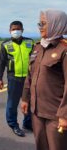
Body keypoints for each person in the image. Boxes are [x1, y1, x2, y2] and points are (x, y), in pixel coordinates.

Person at [21, 9, 67, 150]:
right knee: (41, 146)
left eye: (43, 23)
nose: (40, 27)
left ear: (56, 23)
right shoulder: (38, 48)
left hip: (55, 114)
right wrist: (25, 99)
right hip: (37, 111)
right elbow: (30, 76)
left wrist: (64, 115)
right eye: (39, 24)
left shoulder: (63, 49)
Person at [0, 21, 34, 137]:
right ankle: (13, 124)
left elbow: (35, 60)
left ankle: (27, 123)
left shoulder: (30, 42)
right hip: (14, 78)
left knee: (29, 102)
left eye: (18, 29)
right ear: (10, 31)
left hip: (28, 78)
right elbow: (1, 63)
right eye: (13, 29)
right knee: (12, 103)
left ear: (22, 30)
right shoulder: (6, 44)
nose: (15, 31)